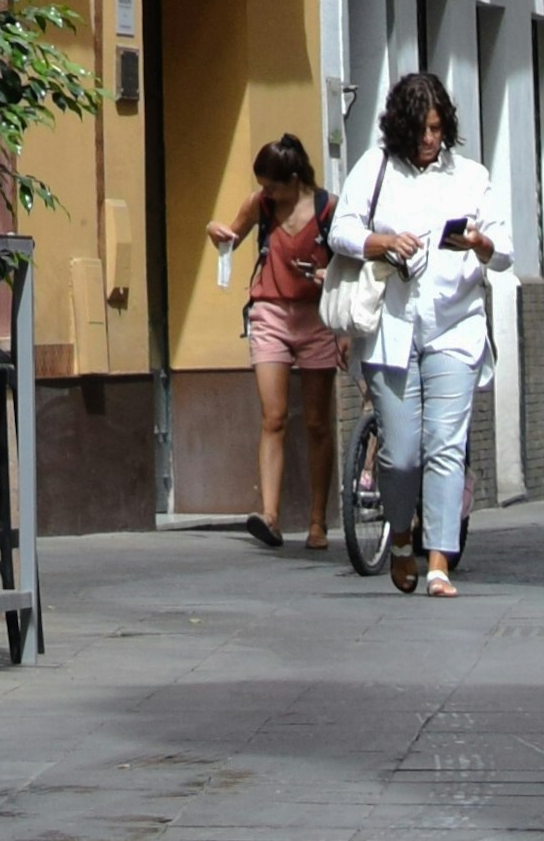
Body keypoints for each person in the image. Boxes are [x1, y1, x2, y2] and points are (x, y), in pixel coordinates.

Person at [329, 70, 512, 592]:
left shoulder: (470, 176)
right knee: (401, 453)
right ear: (400, 128)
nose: (430, 139)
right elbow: (340, 231)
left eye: (437, 128)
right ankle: (402, 538)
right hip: (391, 327)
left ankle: (438, 562)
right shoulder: (376, 167)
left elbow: (504, 250)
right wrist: (384, 242)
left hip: (456, 326)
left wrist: (479, 243)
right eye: (420, 130)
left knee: (445, 447)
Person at [206, 130, 343, 548]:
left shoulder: (329, 209)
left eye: (272, 187)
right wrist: (217, 233)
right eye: (263, 186)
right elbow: (231, 237)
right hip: (269, 314)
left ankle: (318, 522)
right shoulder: (260, 205)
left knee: (317, 423)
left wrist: (330, 279)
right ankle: (270, 515)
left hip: (317, 317)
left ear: (294, 179)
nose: (266, 193)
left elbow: (349, 263)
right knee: (274, 416)